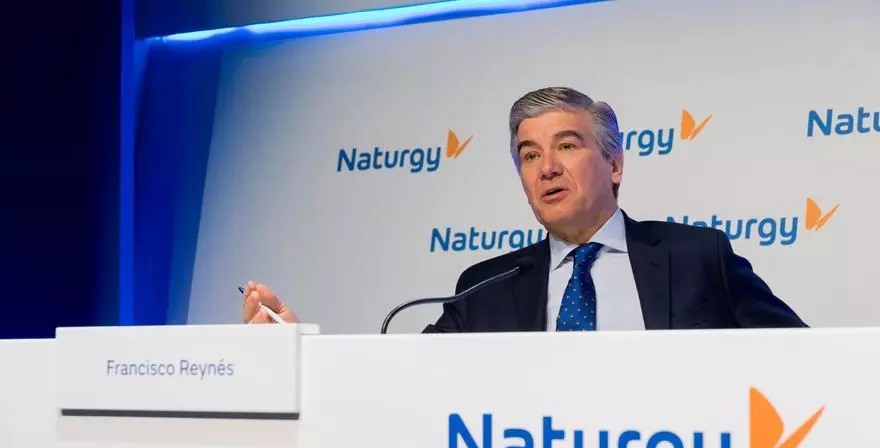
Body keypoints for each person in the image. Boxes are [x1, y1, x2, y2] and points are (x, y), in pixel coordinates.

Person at [242, 86, 806, 331]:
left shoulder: (697, 256)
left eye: (567, 146)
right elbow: (403, 386)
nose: (546, 167)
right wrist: (298, 351)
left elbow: (805, 359)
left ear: (614, 164)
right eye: (529, 155)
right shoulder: (483, 288)